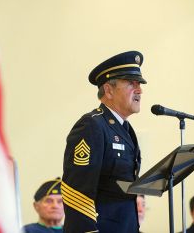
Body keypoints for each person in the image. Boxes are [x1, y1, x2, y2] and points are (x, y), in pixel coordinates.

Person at [62, 51, 147, 233]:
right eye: (131, 84)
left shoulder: (125, 129)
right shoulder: (92, 125)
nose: (139, 90)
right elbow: (76, 190)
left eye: (139, 84)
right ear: (108, 90)